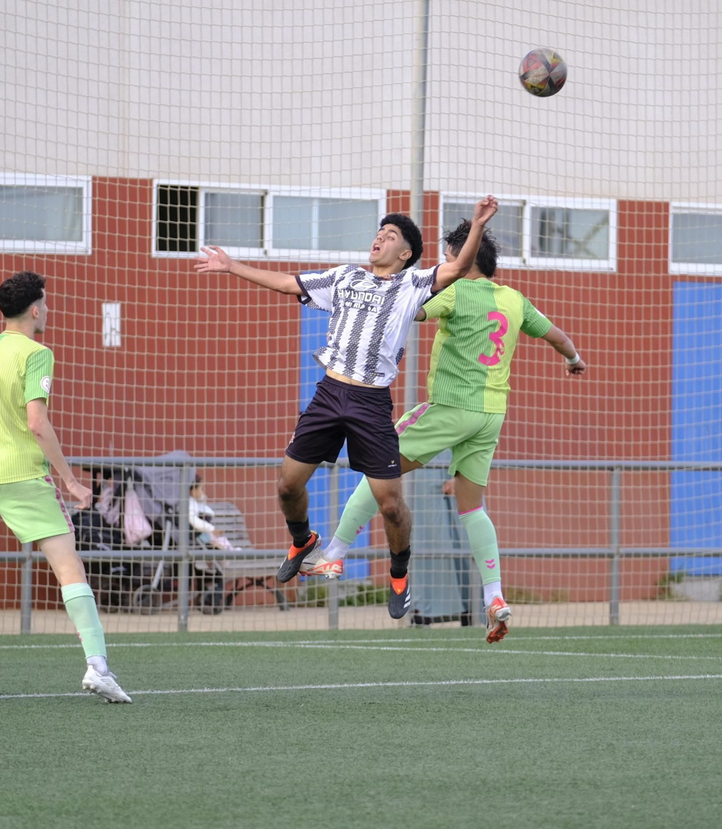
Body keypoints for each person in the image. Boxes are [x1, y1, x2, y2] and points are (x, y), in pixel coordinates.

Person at [195, 198, 497, 619]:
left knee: (390, 504)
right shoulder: (344, 278)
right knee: (287, 486)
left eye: (390, 236)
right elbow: (287, 283)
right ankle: (303, 541)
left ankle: (398, 573)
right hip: (329, 394)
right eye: (379, 231)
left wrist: (478, 225)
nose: (379, 238)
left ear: (405, 253)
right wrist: (233, 266)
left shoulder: (412, 285)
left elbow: (460, 267)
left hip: (371, 404)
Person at [298, 219, 586, 643]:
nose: (442, 265)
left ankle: (335, 554)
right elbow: (559, 337)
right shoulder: (514, 299)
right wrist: (574, 360)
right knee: (472, 508)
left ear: (461, 260)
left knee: (381, 469)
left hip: (451, 407)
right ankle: (495, 596)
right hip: (491, 416)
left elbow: (406, 307)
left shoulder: (452, 289)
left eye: (448, 258)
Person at [0, 271, 132, 703]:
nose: (49, 310)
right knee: (68, 566)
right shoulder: (37, 352)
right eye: (47, 303)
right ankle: (98, 667)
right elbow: (37, 423)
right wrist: (71, 481)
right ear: (36, 309)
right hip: (21, 475)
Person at [189, 474, 232, 550]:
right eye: (201, 488)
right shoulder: (190, 503)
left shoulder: (193, 502)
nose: (202, 492)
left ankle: (222, 548)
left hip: (199, 534)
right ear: (193, 490)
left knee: (215, 540)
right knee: (215, 541)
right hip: (196, 534)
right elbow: (193, 520)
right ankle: (223, 550)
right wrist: (211, 529)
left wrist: (202, 498)